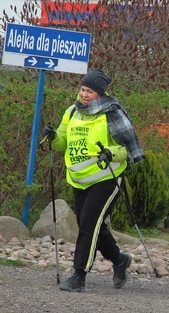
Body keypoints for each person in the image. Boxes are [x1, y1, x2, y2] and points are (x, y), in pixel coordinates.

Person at [43, 69, 145, 292]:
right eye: (82, 89)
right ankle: (119, 260)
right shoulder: (72, 112)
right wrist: (53, 137)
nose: (84, 94)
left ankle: (79, 276)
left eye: (90, 91)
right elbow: (63, 143)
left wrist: (109, 153)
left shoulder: (111, 112)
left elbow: (125, 149)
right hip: (79, 179)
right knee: (90, 224)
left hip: (107, 178)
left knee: (88, 225)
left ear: (100, 93)